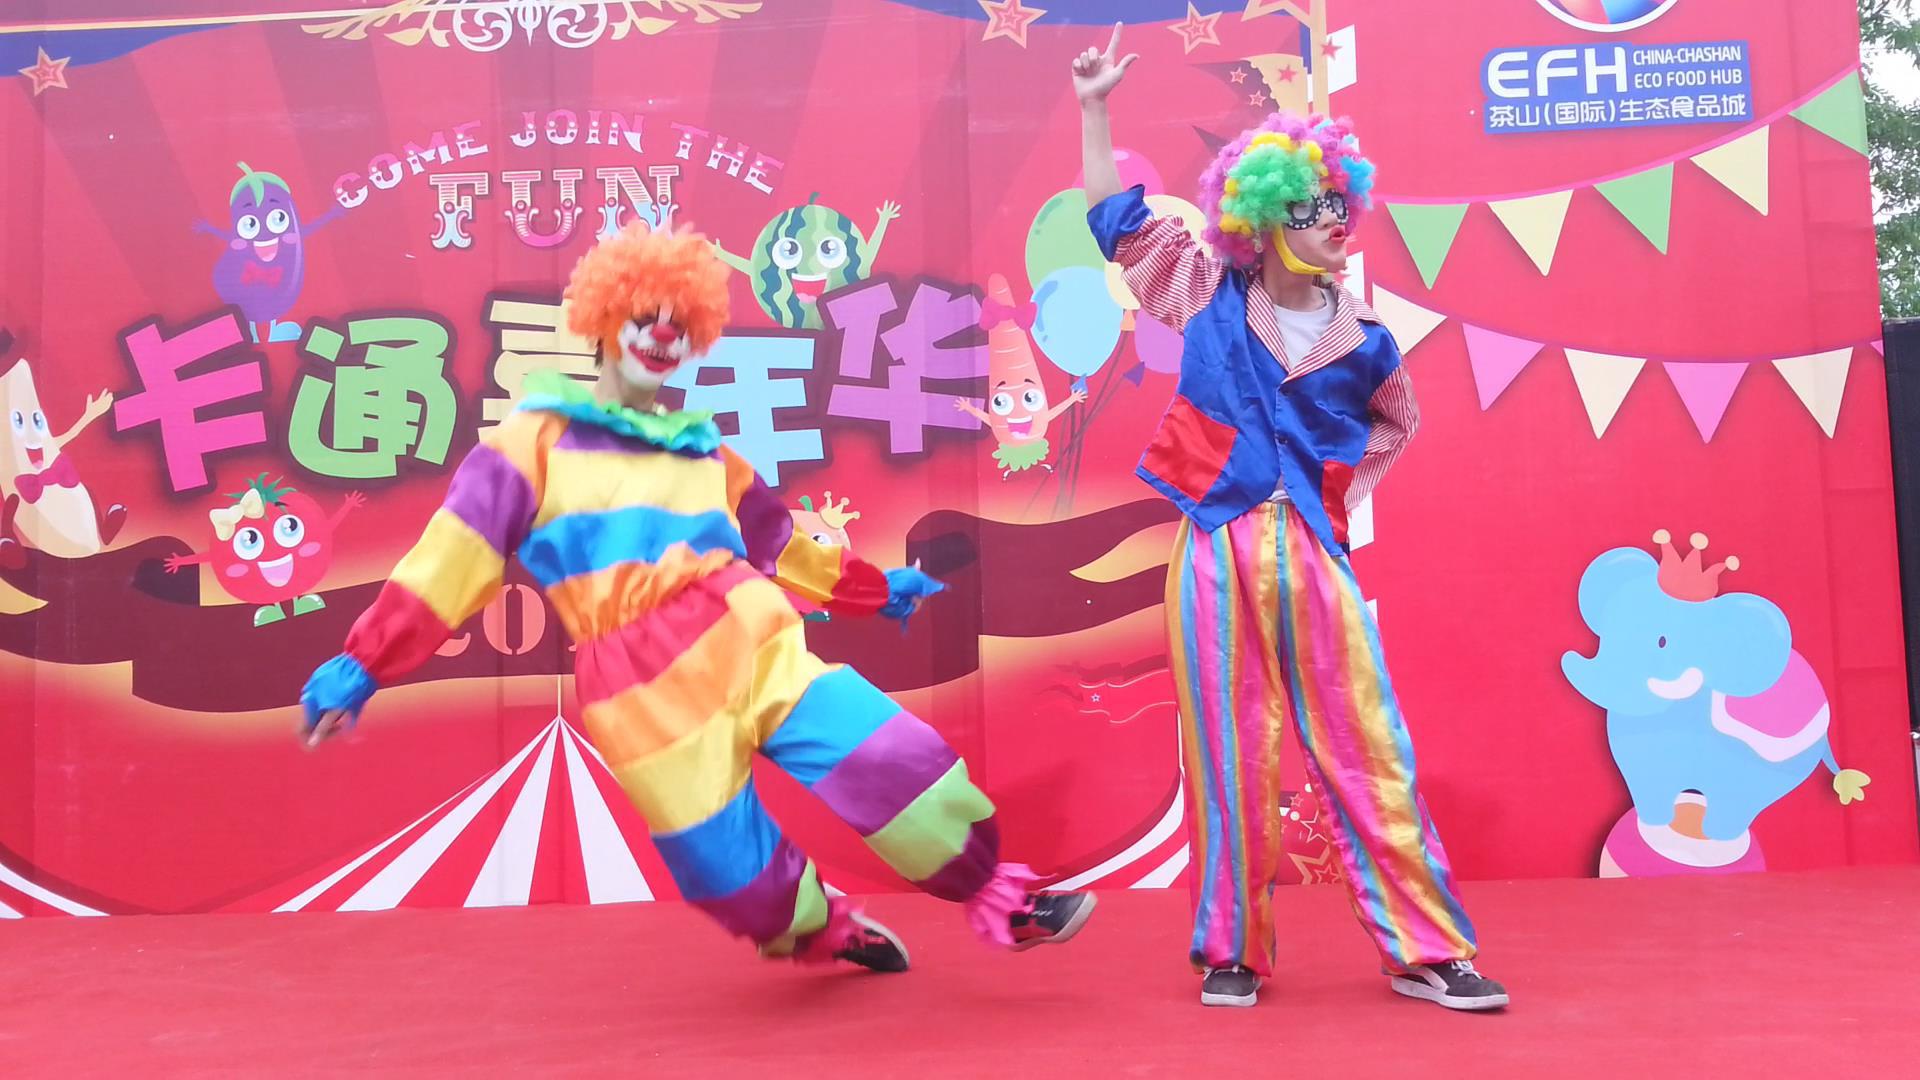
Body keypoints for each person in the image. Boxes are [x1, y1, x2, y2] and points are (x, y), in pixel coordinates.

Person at [298, 221, 1096, 972]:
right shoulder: (528, 445)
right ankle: (822, 929)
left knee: (894, 761)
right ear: (604, 318)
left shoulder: (706, 455)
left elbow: (785, 546)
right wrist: (362, 666)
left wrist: (875, 589)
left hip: (749, 640)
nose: (662, 333)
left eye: (679, 323)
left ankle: (1006, 899)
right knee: (732, 875)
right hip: (641, 694)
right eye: (646, 315)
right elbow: (449, 564)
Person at [1071, 24, 1505, 1011]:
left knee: (1368, 746)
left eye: (1338, 205)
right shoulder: (1203, 291)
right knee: (1229, 750)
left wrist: (1331, 492)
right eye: (1308, 210)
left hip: (1309, 547)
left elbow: (1396, 423)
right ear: (1262, 221)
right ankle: (1233, 950)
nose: (1332, 224)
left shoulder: (1366, 339)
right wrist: (1095, 111)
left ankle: (1428, 951)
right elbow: (1112, 218)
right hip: (1214, 544)